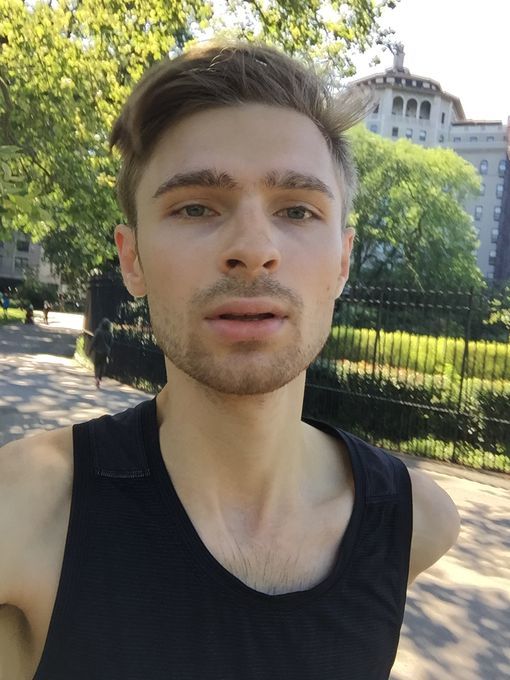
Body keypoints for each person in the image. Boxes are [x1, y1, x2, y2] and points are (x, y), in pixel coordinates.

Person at [0, 43, 460, 680]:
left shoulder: (415, 523)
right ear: (132, 259)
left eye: (297, 210)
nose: (253, 248)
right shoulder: (24, 512)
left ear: (342, 261)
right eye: (195, 207)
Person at [88, 317, 113, 388]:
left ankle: (97, 378)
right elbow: (111, 343)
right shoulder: (109, 333)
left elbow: (94, 341)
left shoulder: (98, 331)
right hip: (105, 352)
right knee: (103, 364)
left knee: (97, 364)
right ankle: (100, 376)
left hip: (98, 351)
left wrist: (90, 350)